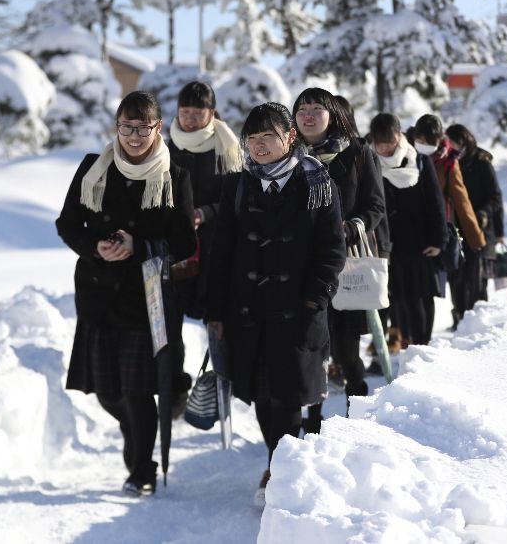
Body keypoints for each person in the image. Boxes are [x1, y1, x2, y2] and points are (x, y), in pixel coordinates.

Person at [56, 90, 196, 497]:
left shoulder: (176, 176)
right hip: (99, 293)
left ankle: (141, 467)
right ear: (116, 126)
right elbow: (67, 224)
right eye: (127, 127)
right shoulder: (92, 169)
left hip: (146, 298)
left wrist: (141, 245)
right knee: (106, 392)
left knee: (137, 391)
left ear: (158, 128)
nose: (134, 136)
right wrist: (93, 247)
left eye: (143, 127)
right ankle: (137, 433)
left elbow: (185, 242)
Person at [205, 102, 345, 504]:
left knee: (286, 395)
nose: (259, 145)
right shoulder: (238, 185)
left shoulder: (318, 183)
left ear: (290, 137)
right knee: (262, 394)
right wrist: (214, 311)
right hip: (247, 310)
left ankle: (278, 469)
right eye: (252, 137)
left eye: (268, 135)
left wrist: (315, 298)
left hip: (298, 309)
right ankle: (278, 461)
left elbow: (331, 249)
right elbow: (222, 253)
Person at [292, 88, 387, 409]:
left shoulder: (358, 153)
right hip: (301, 264)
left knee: (346, 349)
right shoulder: (287, 157)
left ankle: (357, 408)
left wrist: (352, 227)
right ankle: (312, 419)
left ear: (332, 116)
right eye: (302, 108)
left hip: (346, 262)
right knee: (309, 347)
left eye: (316, 108)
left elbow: (375, 206)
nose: (308, 114)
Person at [165, 80, 243, 418]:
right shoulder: (164, 148)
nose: (192, 120)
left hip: (215, 249)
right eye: (186, 113)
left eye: (199, 114)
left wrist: (204, 213)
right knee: (171, 324)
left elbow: (234, 198)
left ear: (212, 113)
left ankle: (219, 385)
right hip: (176, 250)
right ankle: (177, 387)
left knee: (217, 321)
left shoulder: (226, 147)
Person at [369, 113, 446, 347]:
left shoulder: (418, 160)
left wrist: (438, 238)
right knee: (396, 298)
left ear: (399, 135)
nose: (384, 148)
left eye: (389, 141)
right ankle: (401, 346)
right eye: (379, 142)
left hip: (421, 242)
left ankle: (423, 346)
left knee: (421, 297)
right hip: (387, 243)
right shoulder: (368, 161)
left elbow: (435, 201)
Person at [412, 114, 486, 329]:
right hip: (409, 225)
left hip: (436, 227)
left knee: (431, 284)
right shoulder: (404, 154)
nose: (423, 145)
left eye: (428, 142)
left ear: (438, 140)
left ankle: (428, 332)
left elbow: (461, 201)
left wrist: (475, 236)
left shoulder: (448, 161)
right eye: (420, 140)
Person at [445, 123, 504, 319]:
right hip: (456, 226)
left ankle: (478, 316)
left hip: (480, 225)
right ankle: (459, 314)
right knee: (456, 274)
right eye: (449, 143)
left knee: (477, 275)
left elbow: (495, 197)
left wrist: (484, 216)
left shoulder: (481, 162)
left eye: (454, 143)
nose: (451, 147)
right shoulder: (447, 162)